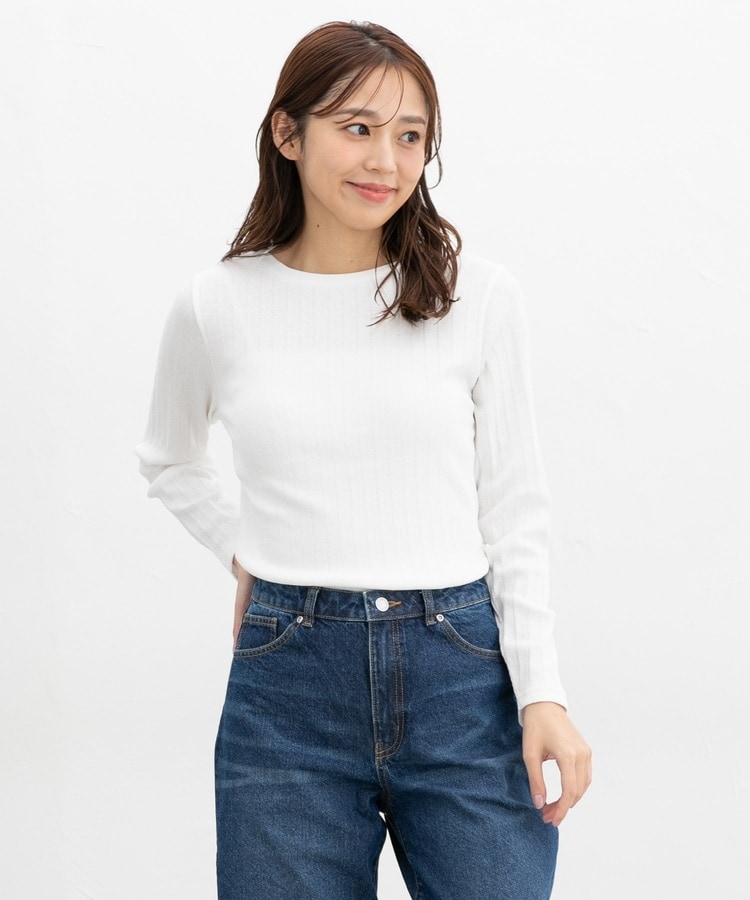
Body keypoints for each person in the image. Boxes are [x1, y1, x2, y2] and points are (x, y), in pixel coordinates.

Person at [136, 20, 591, 900]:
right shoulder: (216, 305)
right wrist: (242, 545)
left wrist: (543, 692)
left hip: (463, 678)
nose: (386, 159)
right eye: (357, 127)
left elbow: (514, 509)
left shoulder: (477, 298)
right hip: (288, 686)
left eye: (410, 135)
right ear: (288, 133)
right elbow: (168, 460)